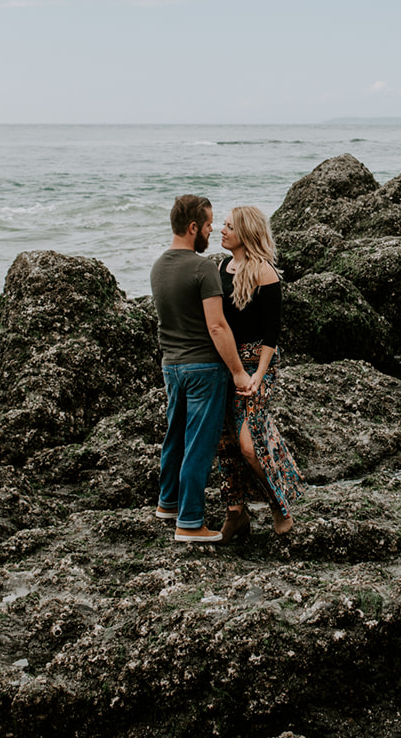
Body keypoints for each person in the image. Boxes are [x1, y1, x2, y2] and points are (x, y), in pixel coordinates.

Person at [150, 194, 252, 543]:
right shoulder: (203, 267)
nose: (212, 230)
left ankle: (168, 504)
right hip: (203, 369)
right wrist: (238, 371)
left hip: (171, 367)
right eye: (209, 224)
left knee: (175, 435)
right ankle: (190, 522)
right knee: (199, 444)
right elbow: (217, 327)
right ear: (193, 227)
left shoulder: (159, 266)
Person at [215, 205, 304, 539]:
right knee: (226, 442)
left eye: (228, 227)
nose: (221, 231)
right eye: (221, 225)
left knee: (250, 445)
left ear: (245, 233)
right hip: (224, 365)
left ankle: (280, 507)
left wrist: (259, 373)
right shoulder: (221, 267)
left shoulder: (265, 272)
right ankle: (235, 513)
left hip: (256, 367)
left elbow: (272, 331)